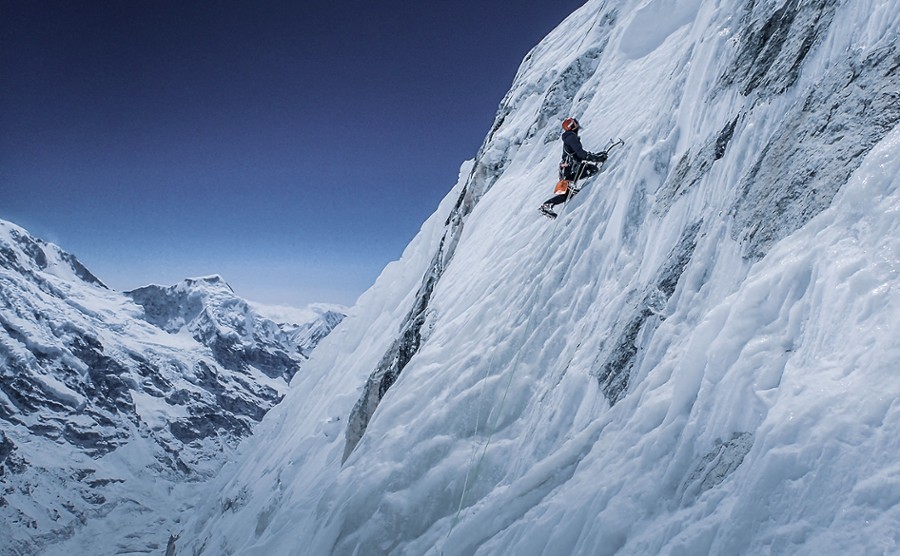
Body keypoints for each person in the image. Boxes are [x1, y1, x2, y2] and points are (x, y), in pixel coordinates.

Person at [539, 117, 608, 218]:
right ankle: (551, 201)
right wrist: (597, 158)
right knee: (592, 169)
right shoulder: (571, 137)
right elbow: (580, 154)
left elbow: (577, 154)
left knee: (567, 194)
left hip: (566, 170)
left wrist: (595, 157)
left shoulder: (568, 138)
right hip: (571, 169)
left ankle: (548, 205)